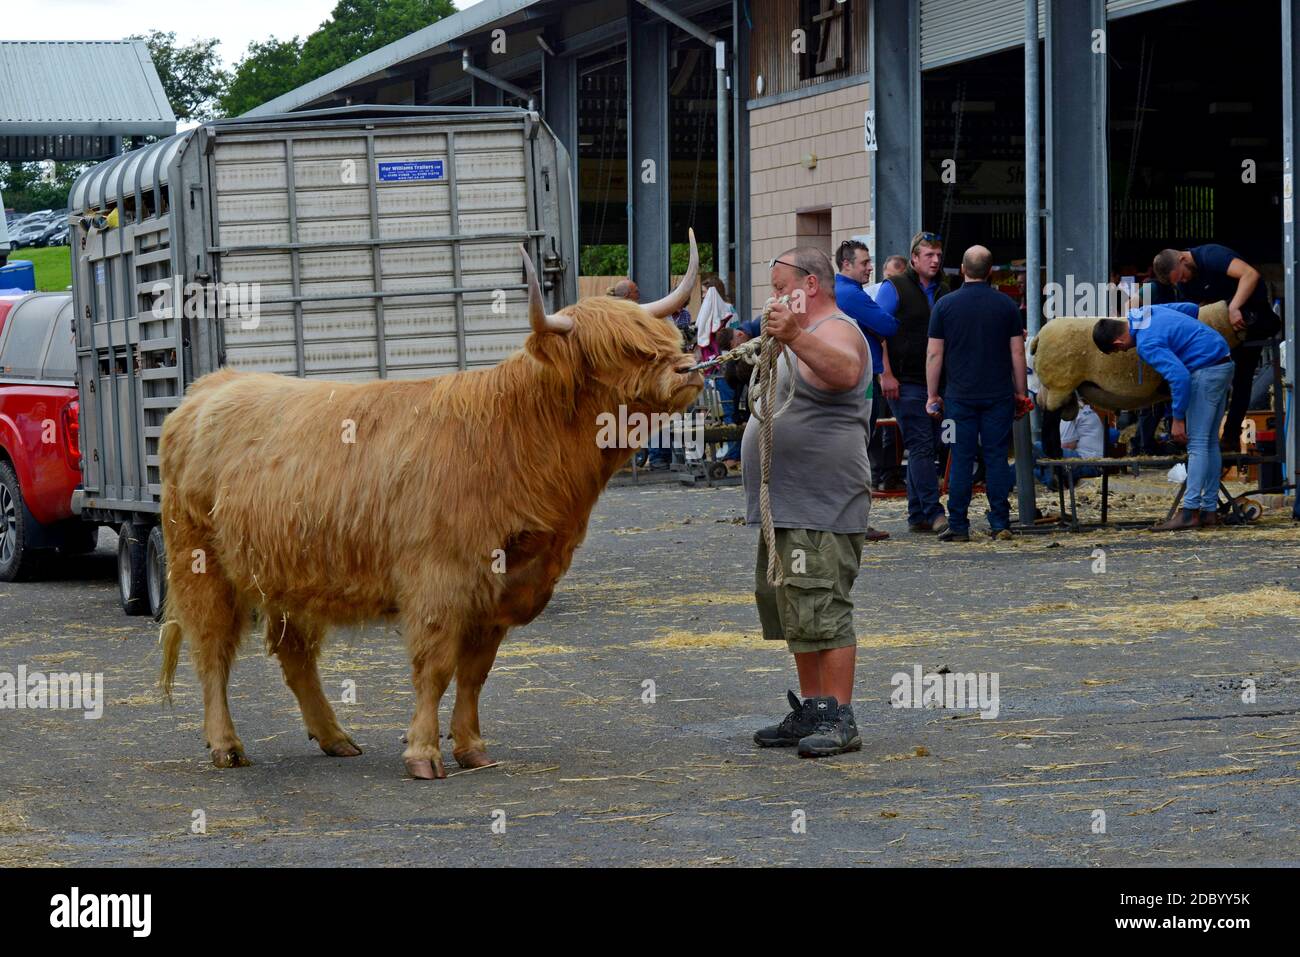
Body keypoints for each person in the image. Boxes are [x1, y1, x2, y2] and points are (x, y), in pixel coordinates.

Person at [743, 246, 871, 759]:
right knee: (797, 607)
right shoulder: (798, 336)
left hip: (824, 501)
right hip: (792, 505)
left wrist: (793, 335)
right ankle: (814, 711)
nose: (773, 298)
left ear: (810, 286)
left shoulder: (835, 329)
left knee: (824, 604)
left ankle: (840, 716)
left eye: (780, 288)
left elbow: (844, 371)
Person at [1092, 302, 1234, 531]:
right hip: (1222, 360)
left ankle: (1189, 512)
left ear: (1118, 342)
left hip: (1205, 370)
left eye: (1119, 349)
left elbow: (1179, 377)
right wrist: (1185, 335)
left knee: (1197, 444)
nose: (1124, 351)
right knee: (1208, 442)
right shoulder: (1146, 312)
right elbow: (1190, 309)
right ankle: (1209, 510)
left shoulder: (1146, 343)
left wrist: (1178, 419)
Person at [925, 245, 1027, 542]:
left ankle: (958, 524)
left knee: (960, 458)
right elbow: (1017, 352)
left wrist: (933, 395)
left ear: (963, 268)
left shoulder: (944, 305)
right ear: (991, 271)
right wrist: (1020, 392)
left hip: (958, 398)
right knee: (996, 458)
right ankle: (1000, 523)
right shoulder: (1006, 306)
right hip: (998, 396)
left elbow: (934, 354)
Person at [1150, 245, 1280, 453]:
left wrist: (1234, 306)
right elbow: (1195, 310)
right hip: (1220, 331)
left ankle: (1229, 437)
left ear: (1183, 259)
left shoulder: (1211, 256)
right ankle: (1194, 435)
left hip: (1251, 320)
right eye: (1178, 281)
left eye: (1182, 276)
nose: (1183, 282)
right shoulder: (1183, 286)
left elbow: (1249, 274)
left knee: (1242, 379)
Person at [873, 231, 950, 534]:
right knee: (920, 444)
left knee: (927, 444)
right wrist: (885, 373)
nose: (935, 260)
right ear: (914, 259)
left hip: (933, 381)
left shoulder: (943, 289)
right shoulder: (894, 287)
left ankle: (917, 513)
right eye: (929, 255)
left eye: (938, 255)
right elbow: (877, 330)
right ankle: (933, 512)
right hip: (904, 380)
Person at [833, 239, 900, 536]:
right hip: (864, 379)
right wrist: (877, 324)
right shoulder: (851, 295)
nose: (869, 267)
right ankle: (855, 520)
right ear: (846, 264)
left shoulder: (840, 291)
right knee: (859, 447)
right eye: (864, 263)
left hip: (854, 376)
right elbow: (889, 325)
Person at [1034, 400, 1104, 489]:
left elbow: (1067, 445)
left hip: (1087, 463)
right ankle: (1052, 480)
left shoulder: (1070, 413)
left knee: (1035, 448)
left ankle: (1011, 480)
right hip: (1096, 464)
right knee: (1035, 467)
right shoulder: (1086, 410)